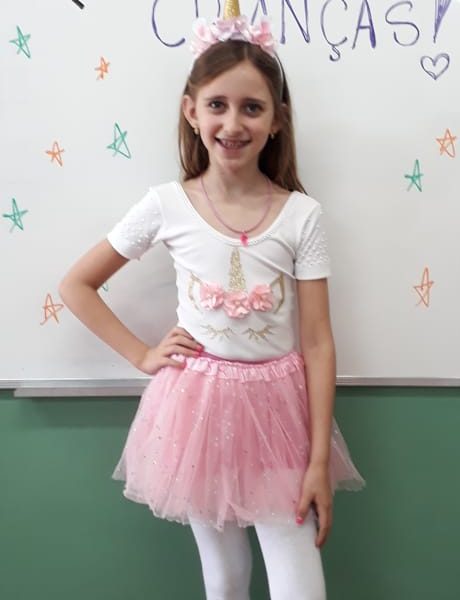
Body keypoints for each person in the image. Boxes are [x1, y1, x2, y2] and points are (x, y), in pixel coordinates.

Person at [59, 1, 364, 597]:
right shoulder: (167, 205)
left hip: (282, 417)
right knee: (224, 580)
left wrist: (318, 462)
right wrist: (142, 354)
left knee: (301, 586)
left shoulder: (301, 215)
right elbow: (77, 284)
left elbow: (318, 342)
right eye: (217, 105)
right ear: (191, 111)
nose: (233, 123)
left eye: (252, 107)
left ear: (277, 120)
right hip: (197, 412)